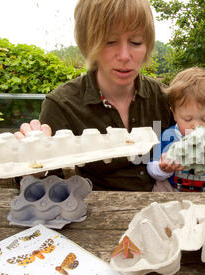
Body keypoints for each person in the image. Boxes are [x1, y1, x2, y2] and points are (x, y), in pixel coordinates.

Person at [14, 0, 173, 191]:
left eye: (136, 42)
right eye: (110, 42)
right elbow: (44, 189)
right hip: (97, 214)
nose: (124, 55)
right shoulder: (62, 104)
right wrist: (34, 167)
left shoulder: (165, 97)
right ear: (89, 44)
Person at [147, 67, 205, 192]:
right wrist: (163, 169)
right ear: (174, 114)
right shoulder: (169, 136)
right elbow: (151, 168)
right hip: (173, 189)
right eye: (187, 119)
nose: (196, 126)